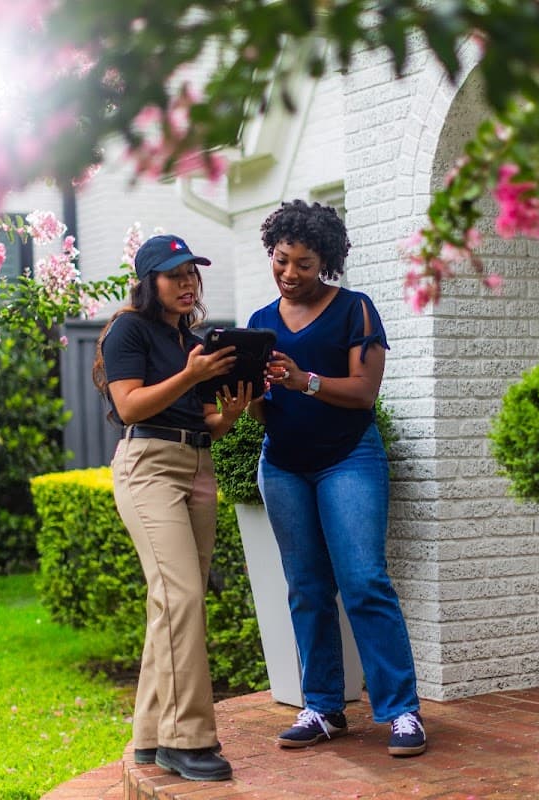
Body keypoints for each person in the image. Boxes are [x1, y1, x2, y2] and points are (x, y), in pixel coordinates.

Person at [246, 200, 427, 757]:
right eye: (281, 260)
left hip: (348, 459)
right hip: (283, 466)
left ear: (324, 261)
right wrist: (251, 392)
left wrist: (303, 380)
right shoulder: (259, 324)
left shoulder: (355, 310)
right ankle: (323, 707)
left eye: (303, 263)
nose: (289, 273)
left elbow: (363, 392)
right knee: (306, 588)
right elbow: (261, 413)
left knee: (364, 581)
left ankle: (402, 712)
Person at [93, 233, 252, 782]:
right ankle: (186, 741)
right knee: (180, 597)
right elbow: (130, 405)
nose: (188, 283)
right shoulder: (128, 330)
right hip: (149, 467)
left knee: (175, 603)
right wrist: (190, 374)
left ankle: (149, 735)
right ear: (149, 282)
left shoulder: (193, 340)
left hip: (197, 465)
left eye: (192, 273)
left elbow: (204, 420)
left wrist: (229, 415)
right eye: (175, 274)